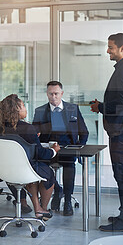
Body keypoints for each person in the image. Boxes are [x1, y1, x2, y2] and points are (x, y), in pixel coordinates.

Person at [90, 33, 123, 232]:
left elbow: (121, 106)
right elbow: (120, 103)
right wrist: (101, 106)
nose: (107, 51)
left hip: (121, 128)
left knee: (122, 172)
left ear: (122, 48)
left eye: (110, 47)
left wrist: (102, 108)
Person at [0, 94, 60, 220]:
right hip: (25, 170)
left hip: (4, 171)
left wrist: (33, 138)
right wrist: (53, 150)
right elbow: (41, 154)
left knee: (31, 171)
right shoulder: (27, 128)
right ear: (16, 109)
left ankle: (37, 207)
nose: (25, 108)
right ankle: (43, 209)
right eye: (23, 106)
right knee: (47, 173)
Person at [33, 81, 89, 216]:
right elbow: (34, 134)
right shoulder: (40, 111)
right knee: (39, 166)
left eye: (56, 94)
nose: (53, 97)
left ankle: (68, 200)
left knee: (69, 166)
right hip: (48, 149)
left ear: (61, 94)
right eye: (50, 94)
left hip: (68, 148)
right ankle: (58, 189)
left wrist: (79, 147)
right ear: (47, 94)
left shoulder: (72, 109)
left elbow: (84, 131)